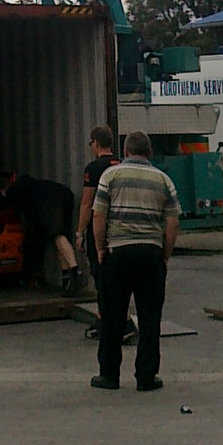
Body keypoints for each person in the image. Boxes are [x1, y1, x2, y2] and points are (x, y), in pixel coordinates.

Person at [90, 129, 180, 392]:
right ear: (149, 153)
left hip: (118, 253)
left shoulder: (111, 175)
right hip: (150, 255)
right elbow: (173, 223)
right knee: (150, 318)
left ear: (126, 152)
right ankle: (146, 376)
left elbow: (99, 216)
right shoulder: (163, 180)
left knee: (112, 316)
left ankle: (109, 375)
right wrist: (164, 254)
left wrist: (100, 249)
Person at [77, 126, 134, 342]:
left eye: (90, 143)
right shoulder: (121, 165)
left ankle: (126, 323)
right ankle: (102, 321)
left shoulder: (93, 168)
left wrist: (80, 232)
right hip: (120, 229)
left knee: (102, 277)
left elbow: (86, 203)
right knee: (114, 276)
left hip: (98, 229)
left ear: (96, 143)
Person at [3, 172, 84, 294]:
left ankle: (75, 271)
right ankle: (67, 281)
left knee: (57, 235)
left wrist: (3, 195)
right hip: (65, 194)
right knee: (60, 239)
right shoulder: (39, 186)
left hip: (52, 201)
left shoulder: (19, 189)